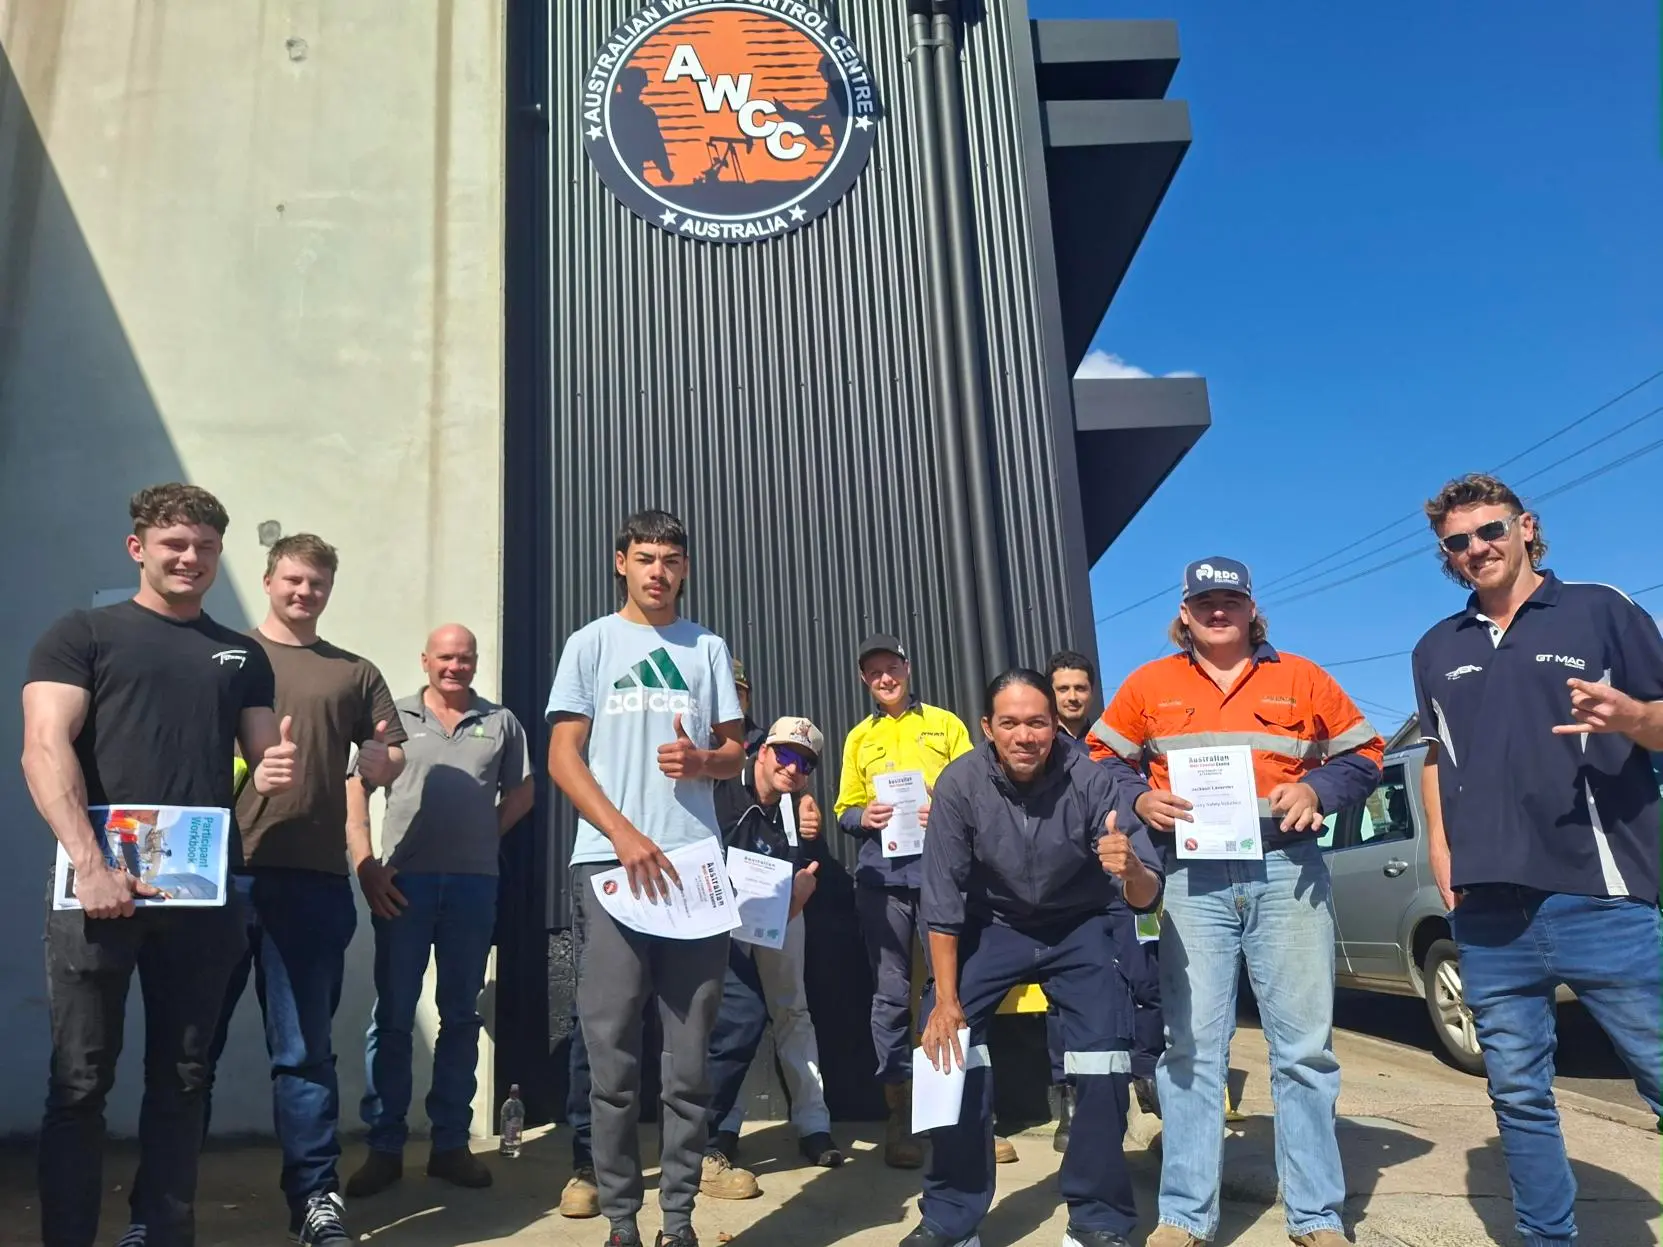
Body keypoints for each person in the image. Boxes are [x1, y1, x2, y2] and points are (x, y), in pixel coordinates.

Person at [23, 483, 297, 1247]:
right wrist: (90, 864)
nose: (190, 558)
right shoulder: (81, 634)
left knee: (183, 1077)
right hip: (96, 891)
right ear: (137, 547)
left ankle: (161, 1230)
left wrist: (275, 768)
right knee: (80, 1082)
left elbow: (262, 756)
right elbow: (43, 749)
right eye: (175, 543)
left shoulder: (242, 654)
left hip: (198, 894)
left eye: (205, 546)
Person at [1089, 556, 1383, 1247]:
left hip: (1287, 870)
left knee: (1303, 1050)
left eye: (1230, 600)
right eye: (1204, 603)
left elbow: (1366, 754)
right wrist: (1139, 798)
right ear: (1184, 614)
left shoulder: (1301, 676)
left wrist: (1317, 789)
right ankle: (1184, 1216)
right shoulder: (1149, 683)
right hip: (1191, 878)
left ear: (1252, 609)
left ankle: (1316, 1215)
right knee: (1191, 1047)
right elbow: (1098, 758)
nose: (1217, 612)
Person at [1411, 474, 1663, 1247]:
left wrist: (1633, 715)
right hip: (1488, 913)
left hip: (1600, 895)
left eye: (1490, 530)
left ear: (1525, 527)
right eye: (1457, 541)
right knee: (1518, 1096)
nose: (1475, 548)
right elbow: (1434, 756)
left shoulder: (1598, 608)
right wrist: (1440, 850)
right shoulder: (1435, 647)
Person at [902, 670, 1162, 1247]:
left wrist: (1132, 870)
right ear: (987, 728)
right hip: (993, 925)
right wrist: (945, 1000)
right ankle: (951, 1216)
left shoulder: (1092, 779)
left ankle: (1098, 1219)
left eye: (1037, 723)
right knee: (945, 1043)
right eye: (1011, 723)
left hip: (1078, 924)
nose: (1025, 736)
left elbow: (1145, 894)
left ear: (1054, 727)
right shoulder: (960, 783)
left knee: (1103, 1055)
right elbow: (941, 899)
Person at [546, 509, 747, 1247]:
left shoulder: (707, 648)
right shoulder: (591, 643)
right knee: (613, 1058)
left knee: (687, 1061)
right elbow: (562, 756)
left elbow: (735, 752)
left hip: (693, 869)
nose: (657, 571)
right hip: (610, 867)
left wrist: (703, 761)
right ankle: (622, 1224)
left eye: (670, 559)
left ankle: (680, 1221)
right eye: (645, 557)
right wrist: (623, 833)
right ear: (620, 562)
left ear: (684, 568)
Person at [205, 533, 408, 1247]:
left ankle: (316, 1200)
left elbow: (389, 754)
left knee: (303, 1053)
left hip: (313, 882)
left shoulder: (353, 672)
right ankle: (162, 1201)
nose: (304, 592)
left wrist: (382, 764)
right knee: (191, 1049)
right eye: (292, 579)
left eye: (316, 582)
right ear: (268, 580)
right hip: (219, 876)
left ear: (329, 590)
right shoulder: (225, 656)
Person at [343, 623, 536, 1196]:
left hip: (474, 887)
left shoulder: (501, 722)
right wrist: (365, 864)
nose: (456, 667)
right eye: (446, 657)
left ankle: (451, 1145)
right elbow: (356, 789)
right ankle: (385, 1148)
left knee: (460, 1015)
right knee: (393, 1016)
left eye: (465, 658)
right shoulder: (394, 719)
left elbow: (523, 792)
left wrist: (483, 834)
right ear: (425, 660)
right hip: (403, 886)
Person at [832, 634, 978, 1169]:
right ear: (865, 680)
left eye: (891, 667)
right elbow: (843, 809)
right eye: (874, 672)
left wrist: (946, 806)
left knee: (951, 989)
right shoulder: (858, 738)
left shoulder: (945, 724)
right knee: (890, 996)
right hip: (883, 880)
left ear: (907, 668)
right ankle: (901, 1113)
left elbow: (978, 789)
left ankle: (962, 1113)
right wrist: (863, 816)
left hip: (943, 873)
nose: (885, 678)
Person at [701, 717, 844, 1198]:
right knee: (729, 1021)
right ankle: (722, 1130)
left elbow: (803, 858)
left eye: (805, 763)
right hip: (720, 915)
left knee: (791, 1010)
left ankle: (813, 1125)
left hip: (780, 912)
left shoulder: (796, 803)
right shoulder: (721, 785)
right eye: (784, 754)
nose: (793, 767)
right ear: (761, 751)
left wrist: (800, 891)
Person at [1041, 650, 1166, 1153]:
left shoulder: (1115, 745)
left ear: (1092, 692)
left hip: (1127, 884)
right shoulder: (1040, 748)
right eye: (1063, 689)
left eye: (1080, 688)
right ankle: (1070, 1099)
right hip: (1070, 892)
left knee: (1146, 978)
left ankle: (1149, 1082)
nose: (1072, 697)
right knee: (1064, 996)